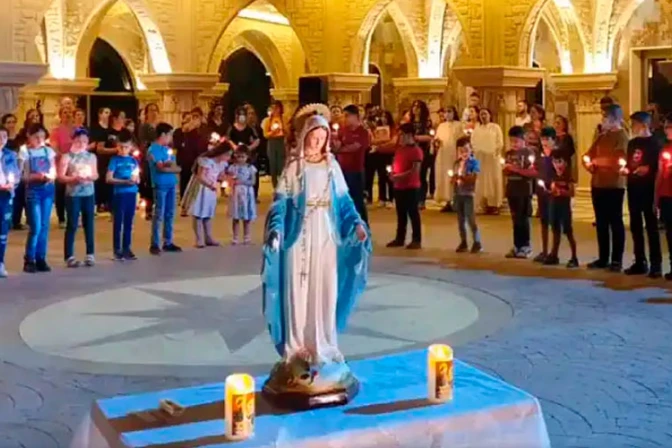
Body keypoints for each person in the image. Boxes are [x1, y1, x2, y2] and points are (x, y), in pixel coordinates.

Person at [262, 108, 370, 396]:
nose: (318, 142)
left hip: (326, 235)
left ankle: (322, 343)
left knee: (323, 288)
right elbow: (280, 204)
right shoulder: (294, 168)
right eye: (314, 137)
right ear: (305, 137)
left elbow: (345, 203)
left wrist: (356, 224)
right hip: (299, 237)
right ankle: (297, 347)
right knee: (299, 291)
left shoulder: (333, 168)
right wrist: (276, 229)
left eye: (323, 138)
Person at [582, 104, 629, 271]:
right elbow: (587, 155)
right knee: (601, 223)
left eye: (605, 117)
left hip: (614, 186)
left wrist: (598, 162)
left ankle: (616, 260)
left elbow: (617, 160)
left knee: (615, 222)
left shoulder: (622, 136)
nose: (602, 121)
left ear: (615, 119)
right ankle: (603, 258)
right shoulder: (602, 137)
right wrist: (589, 164)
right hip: (598, 183)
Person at [624, 111, 662, 277]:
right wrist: (626, 169)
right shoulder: (632, 143)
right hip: (633, 187)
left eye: (634, 124)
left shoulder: (655, 143)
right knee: (635, 226)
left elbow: (660, 166)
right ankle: (640, 261)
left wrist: (649, 169)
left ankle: (656, 264)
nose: (632, 127)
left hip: (649, 189)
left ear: (644, 125)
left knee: (651, 227)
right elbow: (629, 162)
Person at [58, 127, 98, 268]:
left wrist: (89, 177)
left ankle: (90, 253)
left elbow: (95, 174)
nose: (81, 144)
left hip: (88, 193)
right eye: (78, 141)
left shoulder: (91, 157)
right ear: (73, 141)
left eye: (84, 141)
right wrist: (73, 179)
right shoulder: (67, 157)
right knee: (72, 224)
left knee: (89, 223)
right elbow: (61, 176)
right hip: (73, 194)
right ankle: (69, 255)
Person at [21, 123, 57, 273]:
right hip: (33, 190)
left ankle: (41, 257)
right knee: (35, 225)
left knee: (44, 225)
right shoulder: (25, 151)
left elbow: (53, 169)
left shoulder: (48, 151)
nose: (40, 140)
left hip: (47, 190)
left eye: (42, 137)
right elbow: (23, 176)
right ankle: (29, 259)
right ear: (29, 136)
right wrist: (36, 176)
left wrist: (50, 176)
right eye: (36, 137)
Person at [386, 123, 423, 249]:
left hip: (411, 187)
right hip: (399, 186)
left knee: (413, 213)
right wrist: (392, 173)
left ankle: (416, 239)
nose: (399, 137)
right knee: (401, 214)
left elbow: (415, 170)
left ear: (409, 135)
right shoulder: (400, 149)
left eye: (401, 135)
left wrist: (399, 176)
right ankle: (400, 238)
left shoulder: (416, 151)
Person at [147, 122, 183, 255]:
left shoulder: (167, 149)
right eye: (170, 135)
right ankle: (155, 243)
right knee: (159, 214)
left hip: (171, 183)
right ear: (163, 134)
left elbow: (174, 165)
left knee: (170, 213)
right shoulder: (153, 149)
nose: (171, 138)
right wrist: (172, 168)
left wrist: (172, 167)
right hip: (160, 184)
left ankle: (168, 241)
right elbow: (160, 167)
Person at [503, 125, 537, 258]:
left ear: (523, 140)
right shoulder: (508, 154)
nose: (514, 144)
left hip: (524, 190)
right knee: (515, 219)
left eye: (516, 141)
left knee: (523, 218)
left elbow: (533, 172)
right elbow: (506, 172)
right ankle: (517, 245)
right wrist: (506, 169)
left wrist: (516, 169)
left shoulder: (529, 153)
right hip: (512, 189)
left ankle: (526, 246)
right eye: (511, 141)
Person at [187, 143, 231, 248]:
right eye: (227, 155)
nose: (228, 158)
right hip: (202, 188)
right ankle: (199, 238)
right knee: (198, 213)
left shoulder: (221, 164)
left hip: (211, 189)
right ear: (221, 153)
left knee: (208, 213)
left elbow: (219, 175)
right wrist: (210, 184)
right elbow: (200, 176)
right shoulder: (206, 161)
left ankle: (208, 237)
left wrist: (226, 178)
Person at [107, 130, 141, 261]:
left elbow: (137, 177)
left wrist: (135, 180)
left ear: (131, 147)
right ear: (117, 146)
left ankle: (127, 248)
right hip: (119, 194)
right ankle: (117, 249)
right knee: (118, 222)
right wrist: (123, 182)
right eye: (120, 147)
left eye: (126, 147)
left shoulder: (133, 161)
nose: (123, 150)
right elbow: (109, 178)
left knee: (129, 222)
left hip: (131, 193)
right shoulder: (114, 160)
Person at [333, 105, 369, 224]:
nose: (345, 118)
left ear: (356, 116)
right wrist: (335, 143)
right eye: (344, 116)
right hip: (342, 171)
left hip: (355, 171)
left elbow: (355, 147)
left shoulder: (363, 132)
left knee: (357, 201)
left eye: (347, 116)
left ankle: (363, 226)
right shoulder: (343, 131)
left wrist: (339, 149)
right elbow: (337, 145)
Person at [545, 155, 578, 267]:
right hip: (554, 205)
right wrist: (550, 192)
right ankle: (554, 254)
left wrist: (562, 192)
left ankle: (574, 257)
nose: (557, 165)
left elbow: (572, 193)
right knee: (555, 230)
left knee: (568, 232)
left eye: (560, 161)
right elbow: (551, 190)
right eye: (554, 162)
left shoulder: (568, 178)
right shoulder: (553, 177)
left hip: (564, 207)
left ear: (565, 163)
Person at [452, 137, 481, 253]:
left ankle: (477, 242)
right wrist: (454, 180)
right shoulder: (456, 163)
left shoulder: (474, 163)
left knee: (471, 219)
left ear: (471, 149)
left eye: (466, 150)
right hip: (458, 193)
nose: (464, 153)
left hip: (469, 194)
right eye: (461, 151)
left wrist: (461, 178)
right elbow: (454, 177)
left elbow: (473, 178)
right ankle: (463, 241)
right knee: (460, 220)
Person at [472, 108, 504, 214]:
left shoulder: (495, 127)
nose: (483, 116)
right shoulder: (477, 128)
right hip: (480, 158)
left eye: (485, 114)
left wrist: (494, 152)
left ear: (490, 115)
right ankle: (482, 204)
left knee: (493, 179)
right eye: (481, 114)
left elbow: (500, 142)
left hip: (492, 158)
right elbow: (473, 142)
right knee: (481, 181)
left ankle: (494, 205)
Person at [533, 127, 557, 263]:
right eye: (542, 139)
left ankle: (554, 252)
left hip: (554, 191)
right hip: (542, 191)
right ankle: (544, 250)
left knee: (554, 222)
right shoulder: (540, 155)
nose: (544, 142)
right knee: (544, 221)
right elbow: (537, 169)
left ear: (553, 140)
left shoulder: (557, 155)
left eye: (547, 139)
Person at [434, 106, 464, 212]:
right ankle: (448, 201)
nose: (447, 114)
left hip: (454, 154)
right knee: (445, 177)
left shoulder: (459, 125)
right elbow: (437, 139)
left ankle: (457, 201)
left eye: (449, 111)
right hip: (443, 154)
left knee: (455, 177)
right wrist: (436, 142)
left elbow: (462, 140)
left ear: (454, 113)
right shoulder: (441, 126)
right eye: (446, 112)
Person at [0, 126, 20, 277]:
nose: (2, 140)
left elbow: (16, 174)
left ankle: (0, 262)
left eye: (4, 137)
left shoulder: (10, 155)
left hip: (6, 194)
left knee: (3, 230)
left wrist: (12, 183)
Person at [227, 106, 260, 198]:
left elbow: (257, 140)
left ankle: (253, 194)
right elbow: (228, 139)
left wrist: (249, 147)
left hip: (248, 155)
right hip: (236, 155)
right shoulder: (232, 128)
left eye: (243, 115)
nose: (242, 117)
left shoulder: (250, 128)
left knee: (252, 173)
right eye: (240, 115)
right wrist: (234, 147)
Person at [227, 145, 258, 245]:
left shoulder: (250, 168)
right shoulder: (233, 167)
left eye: (243, 157)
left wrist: (242, 182)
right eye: (238, 156)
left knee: (246, 217)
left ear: (247, 156)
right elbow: (229, 179)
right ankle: (235, 237)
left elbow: (253, 181)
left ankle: (246, 236)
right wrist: (232, 181)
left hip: (246, 193)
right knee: (235, 217)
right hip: (236, 193)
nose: (240, 159)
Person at [51, 107, 75, 228]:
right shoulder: (56, 131)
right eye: (65, 112)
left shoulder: (76, 130)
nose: (67, 114)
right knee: (61, 192)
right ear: (60, 115)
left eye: (69, 112)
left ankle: (73, 216)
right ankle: (61, 218)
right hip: (61, 164)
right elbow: (54, 148)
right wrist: (65, 157)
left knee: (73, 192)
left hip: (75, 165)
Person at [655, 116, 672, 280]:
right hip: (666, 195)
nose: (666, 130)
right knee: (669, 232)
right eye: (666, 127)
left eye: (669, 127)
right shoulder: (665, 149)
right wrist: (656, 196)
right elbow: (660, 173)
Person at [90, 107, 116, 213]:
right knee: (100, 181)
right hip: (99, 160)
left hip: (111, 159)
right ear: (100, 114)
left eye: (109, 113)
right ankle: (99, 203)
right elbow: (97, 147)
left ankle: (109, 203)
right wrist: (115, 150)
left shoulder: (111, 129)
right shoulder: (95, 128)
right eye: (106, 112)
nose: (108, 115)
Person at [409, 100, 434, 208]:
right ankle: (413, 199)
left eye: (418, 107)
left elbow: (430, 137)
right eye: (414, 106)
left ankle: (421, 200)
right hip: (410, 152)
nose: (416, 109)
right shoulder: (409, 122)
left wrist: (417, 138)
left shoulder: (427, 122)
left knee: (421, 175)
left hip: (422, 151)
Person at [264, 101, 286, 189]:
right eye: (273, 108)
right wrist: (273, 132)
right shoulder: (268, 120)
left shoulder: (284, 119)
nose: (275, 110)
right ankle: (275, 185)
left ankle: (282, 185)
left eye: (277, 108)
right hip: (272, 141)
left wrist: (283, 130)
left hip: (281, 141)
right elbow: (265, 134)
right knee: (273, 163)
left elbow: (288, 131)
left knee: (281, 163)